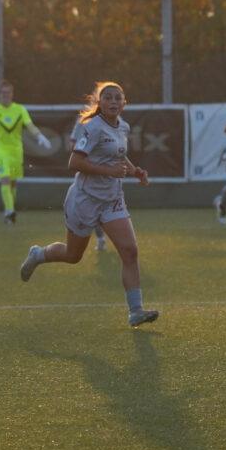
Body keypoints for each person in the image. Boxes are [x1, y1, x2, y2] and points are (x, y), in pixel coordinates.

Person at [19, 81, 159, 328]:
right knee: (73, 256)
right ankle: (39, 254)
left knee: (130, 251)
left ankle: (136, 311)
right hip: (85, 199)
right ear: (99, 103)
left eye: (118, 98)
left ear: (124, 103)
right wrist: (109, 171)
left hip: (112, 199)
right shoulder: (92, 127)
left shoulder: (123, 126)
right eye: (108, 98)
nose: (113, 101)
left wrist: (135, 171)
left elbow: (119, 155)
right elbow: (74, 162)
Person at [0, 80, 48, 223]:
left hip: (16, 151)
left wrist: (39, 136)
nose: (5, 95)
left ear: (12, 94)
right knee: (4, 178)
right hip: (0, 150)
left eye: (8, 92)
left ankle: (9, 211)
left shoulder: (20, 109)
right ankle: (10, 212)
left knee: (12, 183)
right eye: (3, 93)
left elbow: (29, 125)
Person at [70, 118, 106, 252]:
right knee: (95, 208)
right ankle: (101, 237)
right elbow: (73, 144)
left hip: (106, 174)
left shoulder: (115, 120)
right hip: (92, 172)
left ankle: (103, 238)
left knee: (101, 208)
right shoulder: (83, 120)